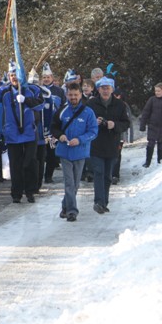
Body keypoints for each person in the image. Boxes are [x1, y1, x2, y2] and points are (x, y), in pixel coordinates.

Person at [0, 62, 49, 204]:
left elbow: (40, 105)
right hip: (12, 134)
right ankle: (16, 193)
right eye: (11, 75)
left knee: (29, 163)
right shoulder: (5, 91)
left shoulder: (32, 89)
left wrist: (27, 100)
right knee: (15, 165)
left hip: (29, 132)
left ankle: (30, 191)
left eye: (16, 74)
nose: (14, 77)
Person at [51, 82, 98, 222]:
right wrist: (60, 135)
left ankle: (65, 206)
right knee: (69, 183)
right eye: (70, 95)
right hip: (64, 152)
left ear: (80, 95)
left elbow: (93, 131)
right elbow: (53, 127)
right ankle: (72, 211)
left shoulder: (88, 112)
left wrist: (80, 140)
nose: (73, 97)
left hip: (80, 152)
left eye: (75, 95)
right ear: (67, 95)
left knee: (75, 184)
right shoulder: (62, 111)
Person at [87, 77, 131, 214]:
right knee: (98, 172)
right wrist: (94, 122)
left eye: (108, 88)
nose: (105, 90)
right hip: (96, 144)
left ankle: (104, 202)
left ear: (112, 89)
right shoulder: (91, 104)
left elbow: (126, 123)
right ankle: (98, 202)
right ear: (98, 89)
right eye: (103, 88)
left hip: (112, 144)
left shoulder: (120, 105)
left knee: (107, 175)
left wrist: (114, 125)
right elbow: (85, 121)